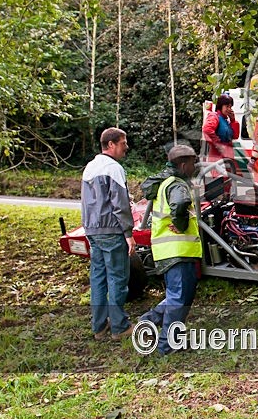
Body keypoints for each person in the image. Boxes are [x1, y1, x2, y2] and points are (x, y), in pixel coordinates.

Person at [139, 144, 203, 355]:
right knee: (178, 299)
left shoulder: (168, 182)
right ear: (183, 165)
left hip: (172, 251)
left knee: (180, 297)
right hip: (177, 250)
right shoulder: (177, 184)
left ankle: (148, 321)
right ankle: (168, 346)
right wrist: (182, 223)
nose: (196, 165)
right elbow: (181, 203)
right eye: (193, 162)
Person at [81, 127, 135, 341]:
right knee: (118, 277)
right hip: (112, 230)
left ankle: (99, 326)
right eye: (123, 143)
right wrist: (128, 233)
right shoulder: (114, 169)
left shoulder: (90, 167)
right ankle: (120, 327)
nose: (126, 147)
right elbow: (120, 204)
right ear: (111, 145)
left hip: (93, 230)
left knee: (98, 278)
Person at [202, 94, 240, 168]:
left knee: (228, 178)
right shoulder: (214, 116)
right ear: (220, 106)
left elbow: (235, 136)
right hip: (218, 157)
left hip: (228, 157)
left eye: (230, 107)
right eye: (227, 106)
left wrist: (233, 120)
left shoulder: (226, 121)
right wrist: (218, 143)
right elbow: (207, 129)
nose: (229, 109)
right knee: (220, 178)